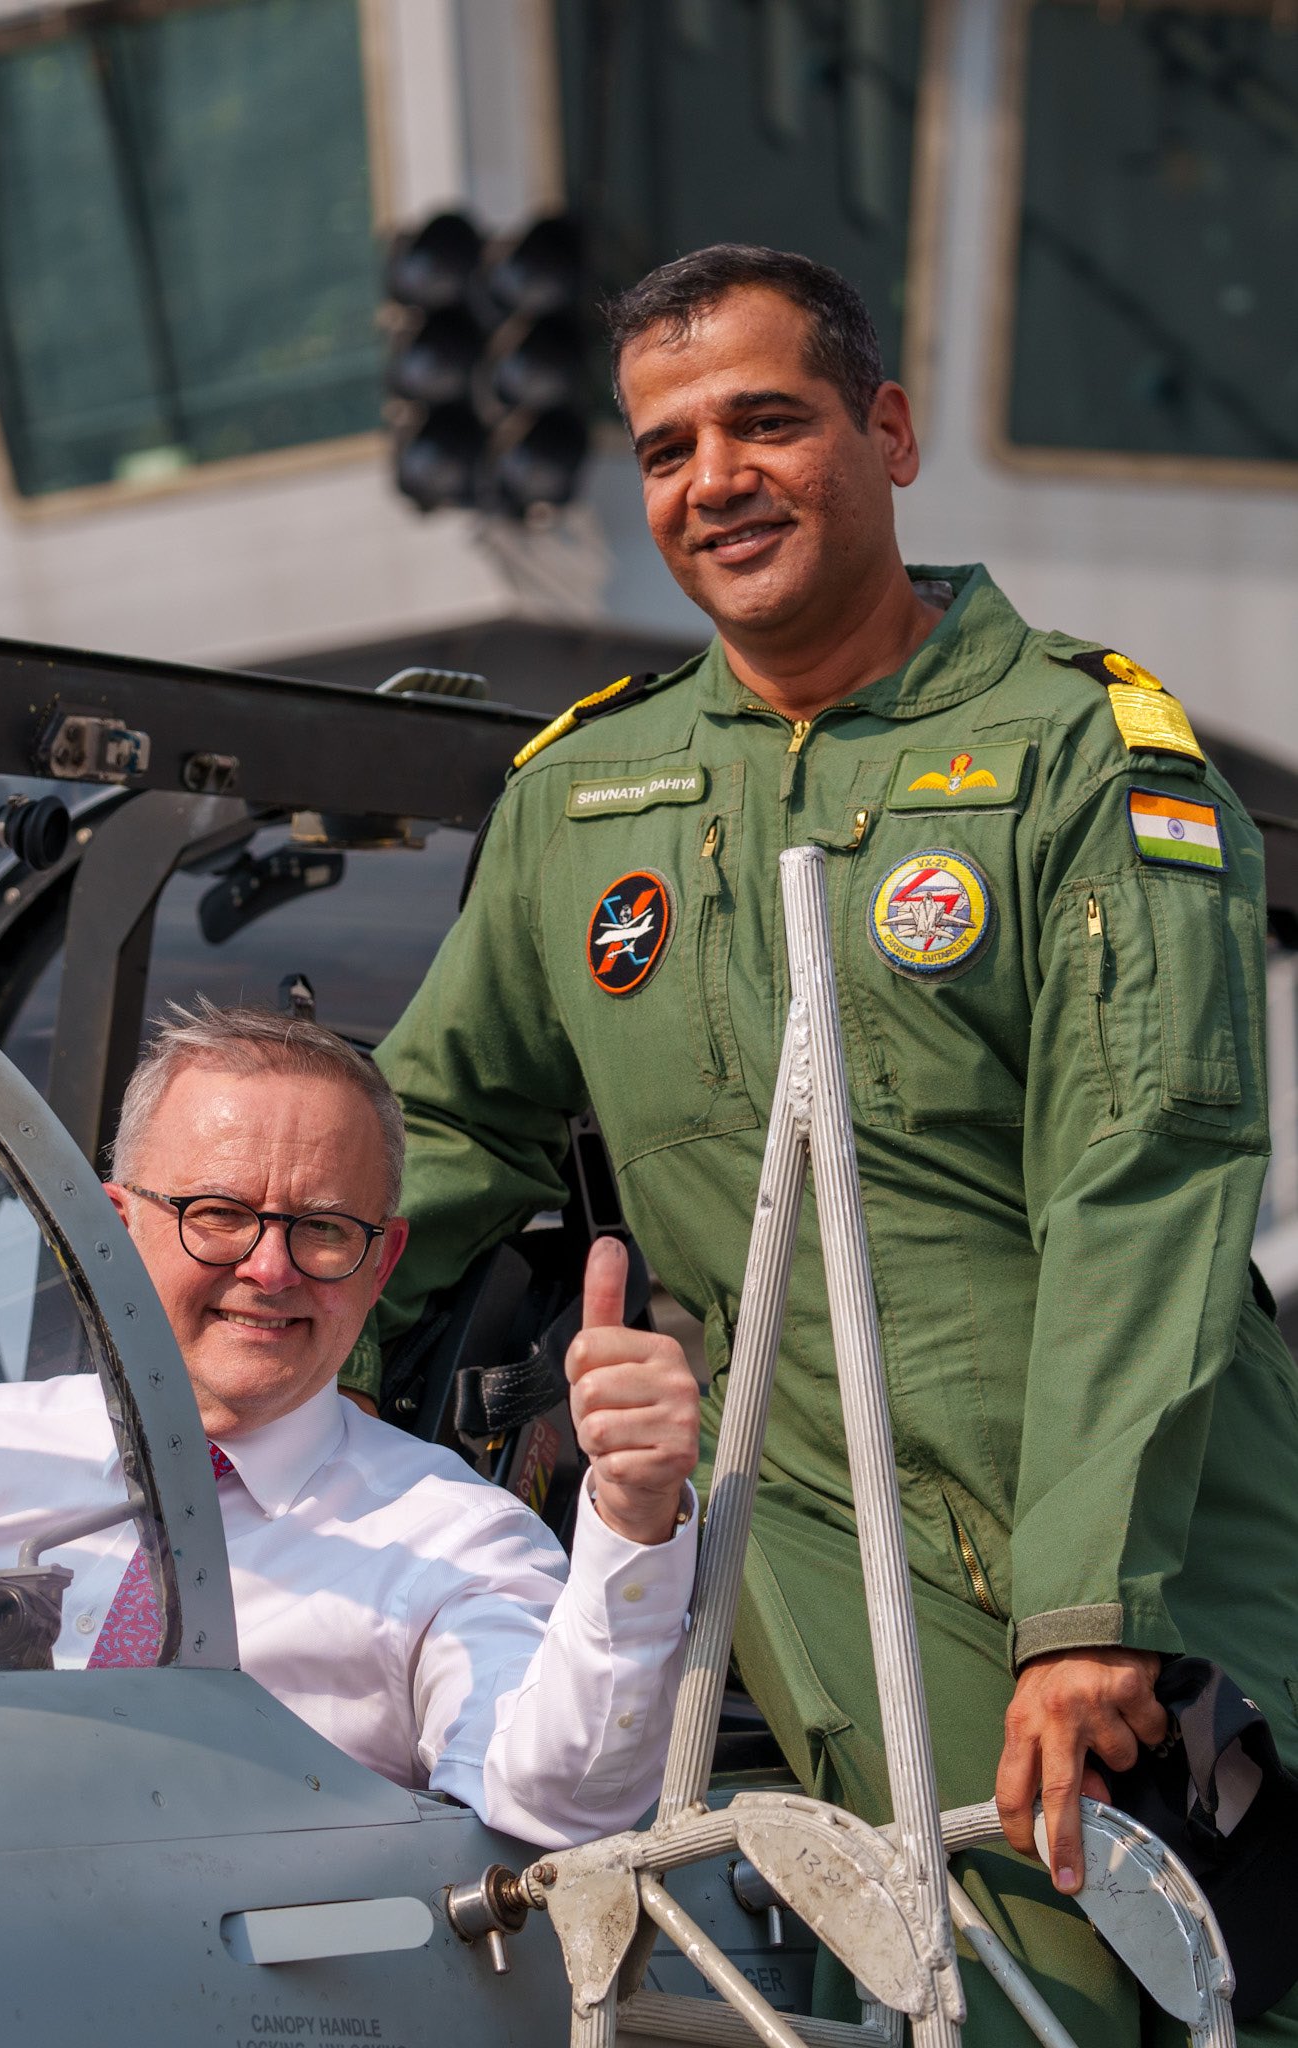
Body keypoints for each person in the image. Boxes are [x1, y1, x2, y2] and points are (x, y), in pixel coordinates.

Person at [350, 244, 1298, 2039]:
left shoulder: (1081, 752)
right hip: (826, 1537)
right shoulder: (580, 798)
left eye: (765, 423)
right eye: (665, 447)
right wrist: (216, 1371)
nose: (712, 479)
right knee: (1006, 2002)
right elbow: (438, 1134)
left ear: (889, 435)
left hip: (1150, 1512)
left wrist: (1085, 1604)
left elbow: (1146, 1180)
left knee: (1243, 1986)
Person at [0, 1003, 701, 1850]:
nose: (270, 1269)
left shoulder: (451, 1541)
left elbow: (555, 1797)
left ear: (382, 1263)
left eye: (324, 1230)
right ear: (117, 1231)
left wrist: (634, 1518)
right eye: (218, 1213)